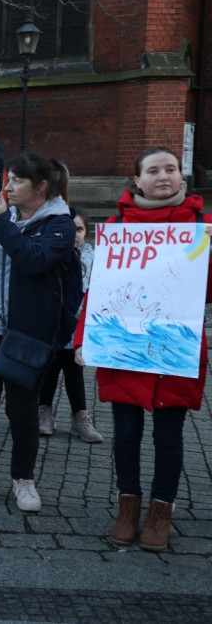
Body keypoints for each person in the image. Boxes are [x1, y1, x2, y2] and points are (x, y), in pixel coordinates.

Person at [74, 148, 212, 552]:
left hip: (175, 350)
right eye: (153, 170)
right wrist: (84, 338)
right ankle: (127, 507)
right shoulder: (118, 228)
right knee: (127, 433)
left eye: (170, 169)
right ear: (137, 180)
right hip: (125, 349)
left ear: (181, 177)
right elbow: (98, 290)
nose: (163, 176)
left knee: (170, 438)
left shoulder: (200, 228)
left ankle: (160, 512)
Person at [0, 154, 81, 512]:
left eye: (18, 181)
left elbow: (32, 260)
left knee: (22, 410)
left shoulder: (60, 225)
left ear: (41, 187)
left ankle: (23, 478)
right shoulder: (2, 218)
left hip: (27, 333)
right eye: (8, 180)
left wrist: (0, 224)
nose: (8, 186)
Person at [38, 207, 103, 443]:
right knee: (49, 371)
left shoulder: (94, 257)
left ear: (86, 232)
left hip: (78, 327)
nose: (74, 234)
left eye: (79, 229)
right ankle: (44, 412)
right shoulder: (52, 253)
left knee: (74, 372)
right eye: (70, 228)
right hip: (53, 326)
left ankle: (80, 417)